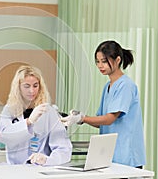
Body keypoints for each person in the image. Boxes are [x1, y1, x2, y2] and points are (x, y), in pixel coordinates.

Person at [62, 40, 146, 168]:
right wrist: (81, 118)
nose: (100, 65)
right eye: (98, 61)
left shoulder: (126, 86)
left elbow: (109, 119)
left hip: (127, 156)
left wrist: (83, 118)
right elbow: (101, 122)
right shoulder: (108, 86)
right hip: (111, 155)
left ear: (117, 60)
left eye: (104, 61)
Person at [0, 65, 72, 166]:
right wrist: (29, 122)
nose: (32, 91)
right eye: (27, 86)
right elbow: (4, 137)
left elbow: (63, 149)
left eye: (35, 85)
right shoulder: (9, 110)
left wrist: (47, 160)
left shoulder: (48, 111)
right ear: (18, 87)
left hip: (40, 168)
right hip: (14, 168)